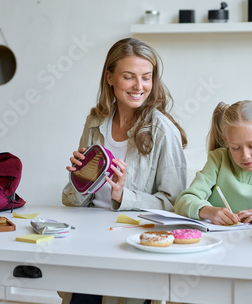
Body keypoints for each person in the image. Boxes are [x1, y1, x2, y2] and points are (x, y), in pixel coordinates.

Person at [60, 38, 188, 304]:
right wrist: (78, 179)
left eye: (146, 77)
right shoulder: (95, 122)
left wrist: (123, 196)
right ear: (110, 77)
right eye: (128, 77)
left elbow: (175, 204)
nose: (139, 86)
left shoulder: (163, 131)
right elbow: (75, 199)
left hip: (133, 242)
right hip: (90, 235)